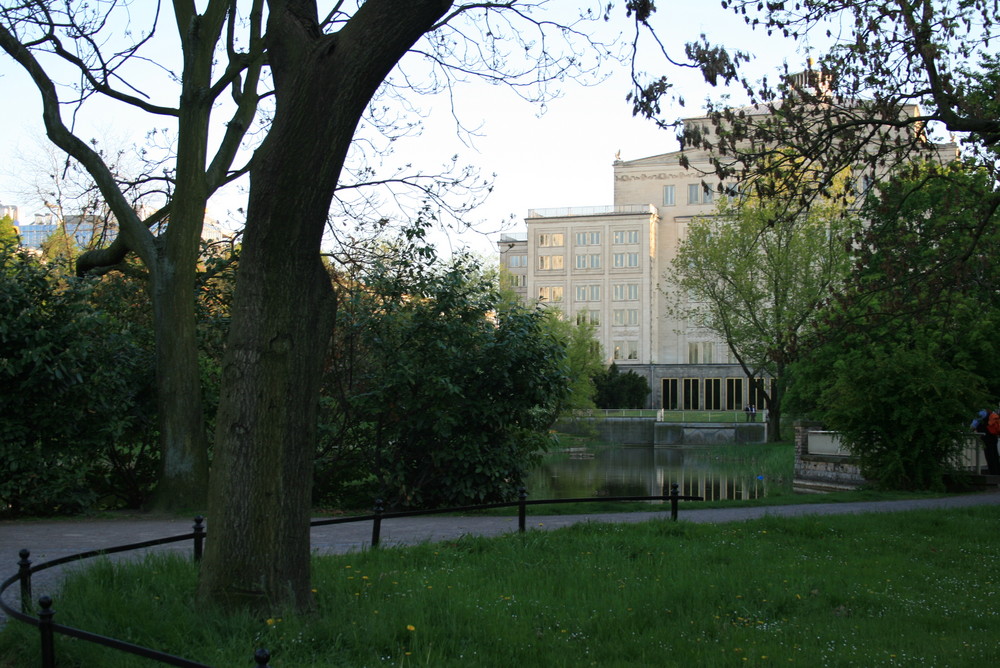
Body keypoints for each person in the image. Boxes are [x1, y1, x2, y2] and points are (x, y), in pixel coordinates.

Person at [971, 409, 1000, 475]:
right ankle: (997, 472)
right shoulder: (991, 412)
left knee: (989, 455)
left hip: (986, 437)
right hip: (993, 436)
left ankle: (993, 473)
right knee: (995, 455)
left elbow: (973, 426)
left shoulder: (981, 413)